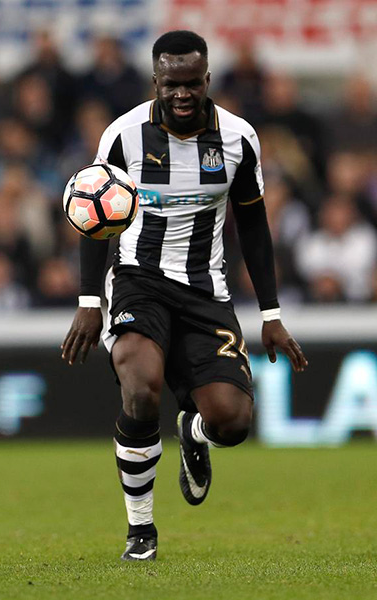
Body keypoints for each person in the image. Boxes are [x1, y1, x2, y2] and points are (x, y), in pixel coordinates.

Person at [61, 30, 308, 562]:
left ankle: (193, 430)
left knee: (232, 423)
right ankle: (141, 531)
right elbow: (93, 217)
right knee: (141, 388)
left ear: (207, 79)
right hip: (137, 280)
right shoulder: (123, 135)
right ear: (155, 80)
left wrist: (271, 313)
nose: (182, 93)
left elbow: (254, 226)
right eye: (171, 83)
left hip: (204, 291)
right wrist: (88, 302)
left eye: (192, 83)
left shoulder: (238, 138)